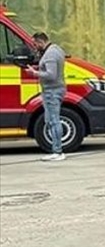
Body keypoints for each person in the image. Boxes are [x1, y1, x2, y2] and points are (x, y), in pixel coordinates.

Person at [31, 31, 67, 161]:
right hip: (54, 90)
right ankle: (57, 150)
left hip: (52, 91)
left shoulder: (50, 54)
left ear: (41, 42)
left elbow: (51, 74)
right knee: (51, 120)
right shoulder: (56, 49)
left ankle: (57, 151)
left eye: (35, 44)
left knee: (54, 120)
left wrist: (35, 73)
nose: (35, 47)